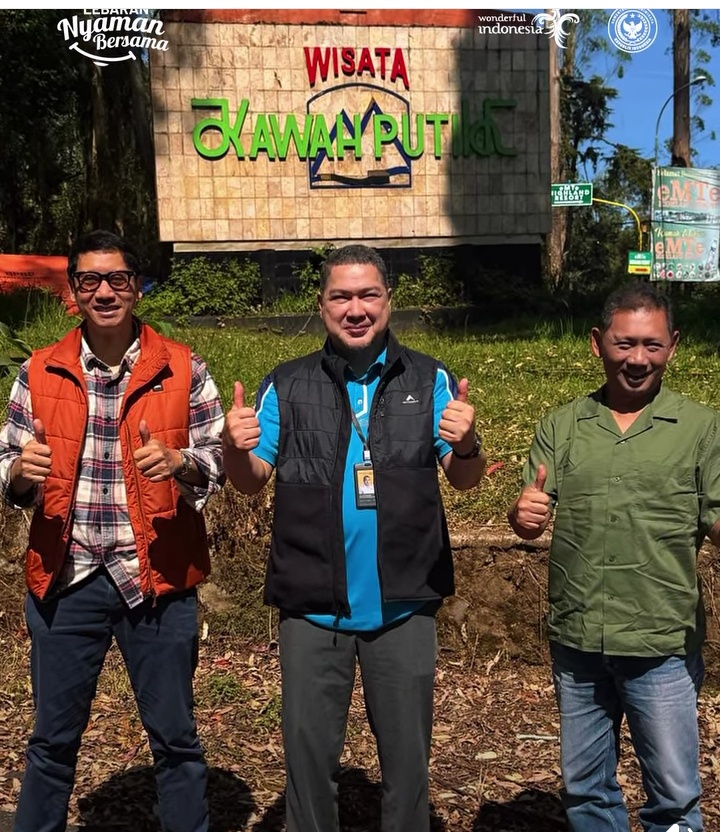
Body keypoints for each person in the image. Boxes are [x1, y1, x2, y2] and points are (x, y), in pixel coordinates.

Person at [223, 244, 485, 832]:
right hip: (312, 606)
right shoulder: (287, 384)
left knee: (409, 771)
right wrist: (233, 448)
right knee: (308, 769)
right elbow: (251, 481)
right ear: (321, 306)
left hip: (403, 605)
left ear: (389, 300)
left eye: (369, 294)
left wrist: (467, 443)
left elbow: (463, 480)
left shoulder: (430, 378)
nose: (356, 308)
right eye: (341, 296)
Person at [0, 230, 225, 832]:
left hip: (157, 579)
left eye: (118, 279)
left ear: (137, 287)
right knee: (51, 742)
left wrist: (182, 463)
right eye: (90, 280)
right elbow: (9, 467)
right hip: (65, 581)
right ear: (73, 291)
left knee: (175, 739)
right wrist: (19, 474)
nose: (105, 292)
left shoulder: (183, 367)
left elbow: (219, 459)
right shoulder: (38, 370)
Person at [508, 283, 720, 832]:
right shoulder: (562, 426)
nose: (638, 359)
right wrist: (523, 514)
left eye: (652, 345)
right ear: (597, 342)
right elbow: (530, 513)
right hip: (578, 636)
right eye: (625, 344)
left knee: (674, 796)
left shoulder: (702, 429)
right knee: (586, 790)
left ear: (673, 345)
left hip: (660, 640)